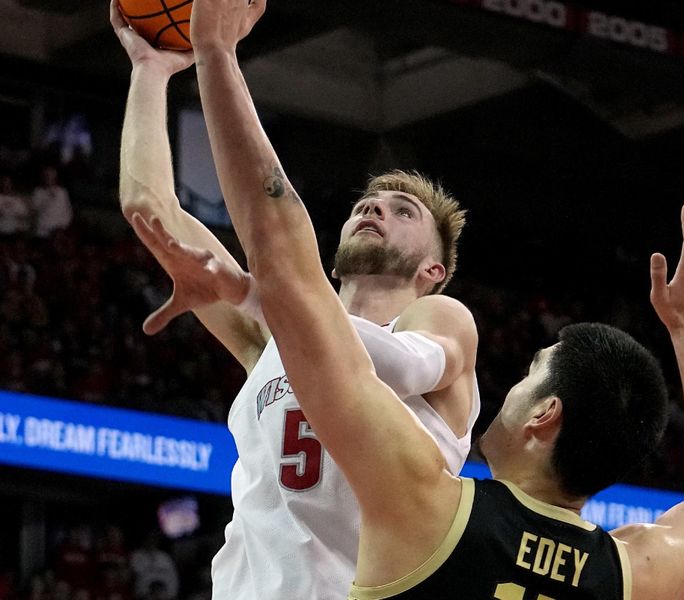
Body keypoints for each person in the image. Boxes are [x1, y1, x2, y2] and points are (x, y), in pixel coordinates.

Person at [186, 7, 684, 598]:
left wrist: (216, 55)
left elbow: (282, 248)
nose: (504, 387)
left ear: (544, 414)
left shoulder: (427, 506)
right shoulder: (630, 571)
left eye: (530, 374)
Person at [110, 1, 480, 598]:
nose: (373, 208)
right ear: (330, 260)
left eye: (401, 211)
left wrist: (269, 296)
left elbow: (407, 364)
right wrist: (149, 72)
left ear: (433, 269)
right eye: (366, 203)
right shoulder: (271, 336)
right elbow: (152, 213)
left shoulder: (439, 318)